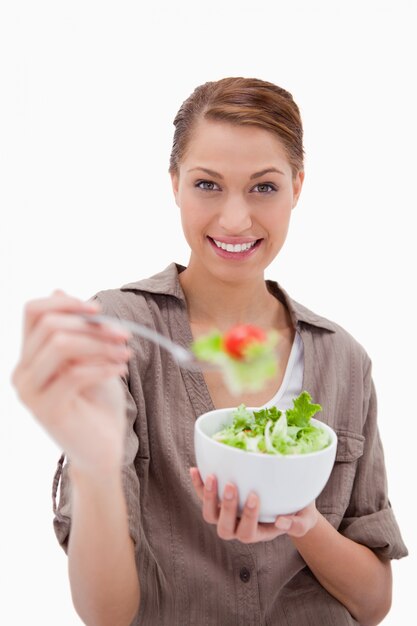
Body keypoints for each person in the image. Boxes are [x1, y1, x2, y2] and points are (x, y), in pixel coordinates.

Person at [12, 77, 408, 626]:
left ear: (298, 185)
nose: (235, 220)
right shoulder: (118, 333)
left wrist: (300, 517)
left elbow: (374, 603)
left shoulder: (344, 359)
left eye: (264, 187)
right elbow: (106, 614)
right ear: (174, 184)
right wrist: (95, 465)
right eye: (207, 185)